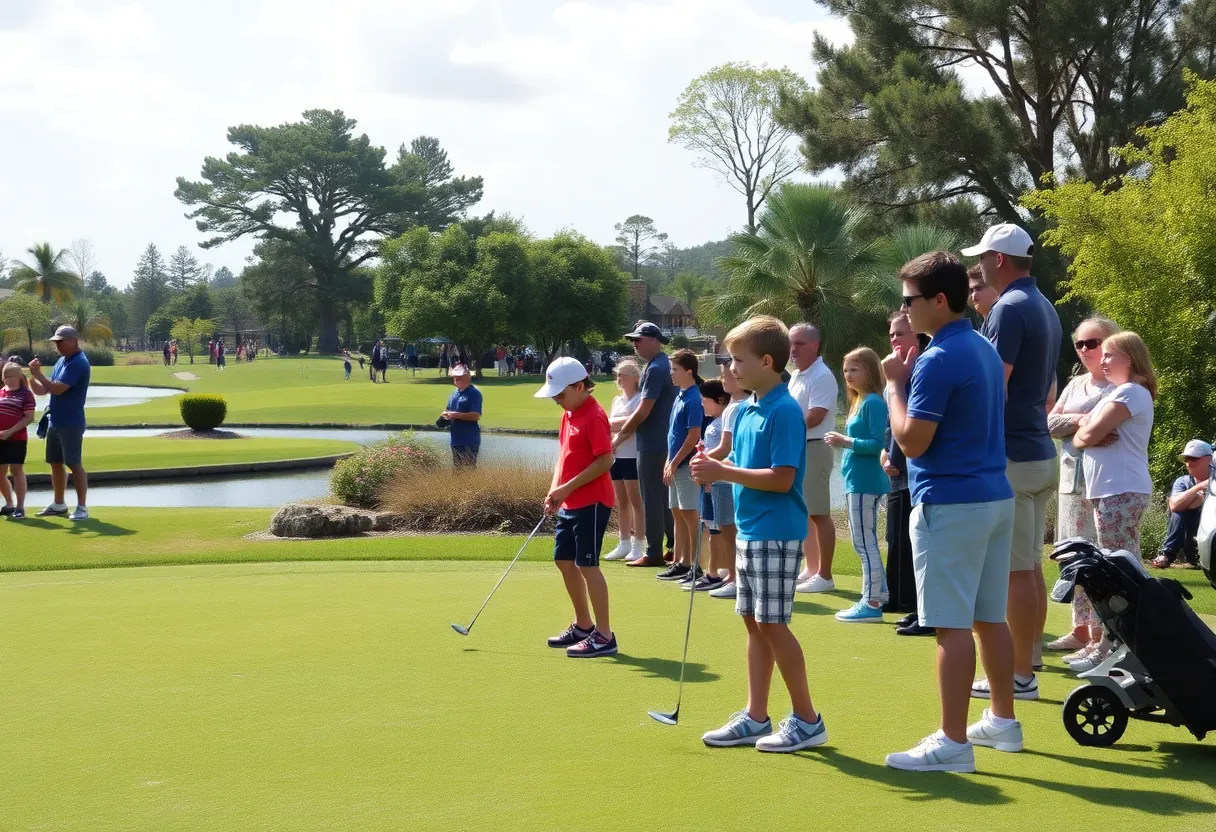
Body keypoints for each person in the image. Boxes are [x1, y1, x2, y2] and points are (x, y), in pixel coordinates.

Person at [882, 251, 1021, 773]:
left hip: (952, 501)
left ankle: (953, 742)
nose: (905, 311)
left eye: (909, 301)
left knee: (950, 625)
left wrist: (894, 383)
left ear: (939, 300)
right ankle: (1003, 721)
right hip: (992, 497)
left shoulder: (937, 359)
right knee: (988, 617)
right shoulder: (982, 348)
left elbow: (913, 442)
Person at [692, 315, 828, 753]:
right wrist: (711, 467)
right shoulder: (747, 408)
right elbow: (736, 464)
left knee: (773, 623)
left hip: (776, 531)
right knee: (753, 624)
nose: (729, 368)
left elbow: (782, 478)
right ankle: (755, 715)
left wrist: (722, 471)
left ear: (767, 361)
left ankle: (808, 720)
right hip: (751, 531)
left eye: (737, 360)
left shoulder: (784, 410)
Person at [965, 222, 1061, 698]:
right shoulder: (1044, 305)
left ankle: (1020, 674)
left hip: (1014, 456)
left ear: (999, 260)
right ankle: (1030, 659)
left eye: (982, 258)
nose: (979, 266)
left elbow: (992, 387)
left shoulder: (1008, 308)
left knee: (1016, 569)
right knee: (1028, 565)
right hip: (1039, 451)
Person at [1070, 331, 1157, 671]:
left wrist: (1086, 431)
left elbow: (1086, 435)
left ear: (1129, 358)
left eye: (1109, 355)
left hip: (1119, 491)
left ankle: (1119, 643)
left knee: (1120, 572)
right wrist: (1086, 431)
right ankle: (1118, 641)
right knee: (1120, 567)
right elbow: (1081, 436)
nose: (1102, 361)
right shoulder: (1122, 393)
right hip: (1111, 491)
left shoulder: (1130, 392)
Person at [536, 357, 618, 658]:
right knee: (564, 561)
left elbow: (605, 460)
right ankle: (584, 625)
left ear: (580, 386)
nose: (557, 400)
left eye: (560, 394)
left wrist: (566, 488)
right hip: (570, 500)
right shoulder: (569, 414)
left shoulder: (593, 415)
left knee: (587, 564)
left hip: (593, 501)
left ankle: (605, 635)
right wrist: (554, 489)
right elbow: (564, 457)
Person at [1045, 317, 1119, 652]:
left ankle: (1103, 632)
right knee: (1073, 557)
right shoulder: (1076, 386)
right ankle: (1080, 630)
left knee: (1100, 559)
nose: (1086, 349)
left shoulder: (1120, 386)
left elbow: (1114, 432)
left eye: (1094, 342)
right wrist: (1082, 421)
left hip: (1104, 483)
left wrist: (1083, 428)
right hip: (1070, 484)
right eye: (1080, 344)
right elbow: (1051, 422)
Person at [824, 347, 891, 622]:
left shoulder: (874, 402)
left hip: (866, 482)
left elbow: (879, 444)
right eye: (846, 371)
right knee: (863, 541)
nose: (849, 375)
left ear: (870, 370)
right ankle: (880, 593)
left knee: (864, 543)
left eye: (855, 369)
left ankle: (871, 602)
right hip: (857, 480)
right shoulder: (859, 401)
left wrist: (846, 441)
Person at [881, 312, 933, 635]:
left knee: (917, 544)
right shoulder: (898, 374)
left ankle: (925, 612)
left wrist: (896, 456)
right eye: (891, 334)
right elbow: (892, 424)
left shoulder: (920, 369)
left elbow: (913, 419)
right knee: (902, 542)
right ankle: (917, 609)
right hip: (900, 469)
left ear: (917, 335)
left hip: (916, 471)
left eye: (900, 333)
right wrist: (886, 452)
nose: (894, 340)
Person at [615, 322, 677, 568]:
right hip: (660, 441)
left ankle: (653, 551)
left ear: (654, 340)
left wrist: (619, 437)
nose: (634, 344)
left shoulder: (656, 368)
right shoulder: (660, 364)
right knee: (662, 497)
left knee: (651, 497)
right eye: (633, 340)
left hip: (653, 443)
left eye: (638, 339)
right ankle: (673, 546)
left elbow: (644, 410)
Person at [787, 323, 839, 594]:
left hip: (815, 446)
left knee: (819, 513)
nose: (793, 349)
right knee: (805, 511)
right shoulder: (797, 375)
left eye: (800, 343)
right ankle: (812, 567)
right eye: (791, 343)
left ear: (815, 345)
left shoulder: (822, 375)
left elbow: (816, 415)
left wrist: (785, 428)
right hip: (800, 447)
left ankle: (826, 575)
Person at [27, 326, 92, 521]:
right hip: (55, 419)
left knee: (74, 463)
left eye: (60, 342)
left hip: (71, 421)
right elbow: (43, 391)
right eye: (55, 342)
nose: (57, 346)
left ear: (73, 340)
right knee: (55, 463)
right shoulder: (62, 361)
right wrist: (30, 377)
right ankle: (59, 504)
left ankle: (82, 508)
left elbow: (57, 389)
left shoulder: (78, 363)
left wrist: (38, 374)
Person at [658, 349, 705, 584]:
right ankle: (683, 562)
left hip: (686, 465)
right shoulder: (680, 395)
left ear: (689, 371)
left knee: (689, 515)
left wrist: (674, 462)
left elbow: (693, 435)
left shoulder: (694, 397)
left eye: (675, 370)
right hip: (675, 464)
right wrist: (669, 461)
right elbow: (673, 435)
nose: (671, 374)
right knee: (677, 513)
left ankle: (696, 566)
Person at [701, 364, 748, 599]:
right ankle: (734, 575)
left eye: (726, 375)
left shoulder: (735, 408)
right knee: (726, 526)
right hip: (726, 474)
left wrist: (703, 462)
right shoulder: (735, 406)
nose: (724, 379)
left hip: (725, 475)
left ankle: (734, 577)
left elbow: (726, 447)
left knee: (729, 528)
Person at [691, 378, 732, 593]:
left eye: (705, 400)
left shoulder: (725, 421)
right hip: (709, 482)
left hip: (718, 482)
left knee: (717, 528)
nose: (702, 404)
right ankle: (716, 569)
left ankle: (714, 572)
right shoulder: (714, 422)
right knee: (711, 525)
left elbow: (725, 450)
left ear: (720, 399)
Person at [604, 358, 645, 562]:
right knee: (621, 501)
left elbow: (632, 424)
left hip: (633, 455)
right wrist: (617, 423)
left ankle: (639, 544)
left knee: (636, 501)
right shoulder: (617, 401)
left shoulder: (640, 399)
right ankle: (624, 543)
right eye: (618, 374)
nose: (619, 378)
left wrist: (615, 423)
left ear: (635, 377)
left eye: (624, 374)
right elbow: (611, 425)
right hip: (616, 455)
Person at [1152, 439, 1212, 569]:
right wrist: (1200, 487)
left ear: (1209, 460)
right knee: (1179, 511)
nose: (1189, 463)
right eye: (1186, 459)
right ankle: (1167, 553)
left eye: (1193, 459)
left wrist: (1194, 499)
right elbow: (1175, 505)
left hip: (1211, 537)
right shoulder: (1183, 482)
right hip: (1192, 541)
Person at [0, 361, 36, 520]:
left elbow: (29, 418)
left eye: (11, 377)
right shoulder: (2, 392)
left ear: (19, 377)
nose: (7, 380)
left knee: (16, 470)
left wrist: (10, 431)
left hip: (17, 439)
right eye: (5, 377)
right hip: (1, 438)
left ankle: (20, 507)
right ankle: (9, 504)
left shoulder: (25, 394)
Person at [442, 364, 482, 468]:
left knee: (468, 471)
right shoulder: (454, 394)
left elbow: (475, 416)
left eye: (459, 376)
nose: (456, 379)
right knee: (458, 471)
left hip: (469, 439)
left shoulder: (474, 393)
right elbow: (448, 409)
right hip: (456, 439)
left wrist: (455, 415)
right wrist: (445, 415)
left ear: (468, 377)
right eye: (455, 377)